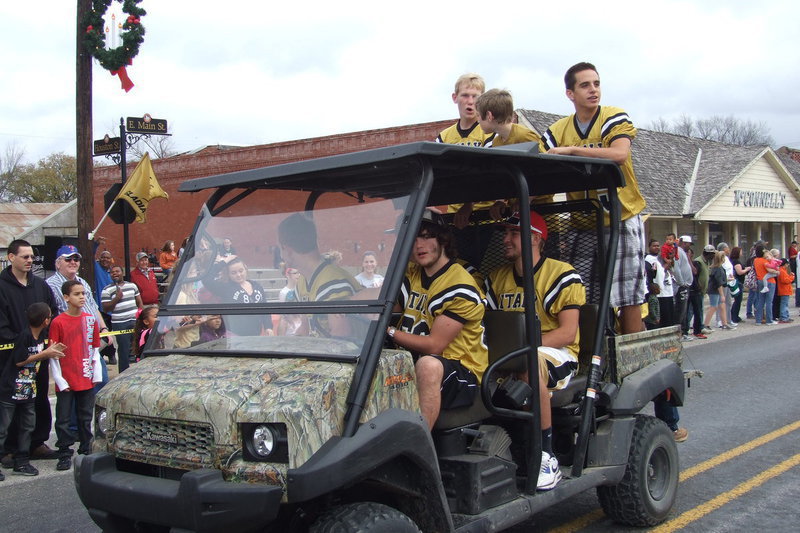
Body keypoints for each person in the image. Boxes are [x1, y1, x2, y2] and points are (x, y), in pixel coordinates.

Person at [542, 62, 647, 334]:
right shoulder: (558, 131)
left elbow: (619, 153)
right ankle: (591, 355)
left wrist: (574, 151)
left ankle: (629, 359)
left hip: (620, 217)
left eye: (596, 84)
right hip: (584, 223)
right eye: (585, 85)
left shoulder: (612, 116)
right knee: (582, 293)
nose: (593, 90)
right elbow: (539, 161)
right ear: (570, 94)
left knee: (627, 295)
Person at [484, 211, 586, 490]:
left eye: (513, 234)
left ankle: (546, 454)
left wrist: (522, 347)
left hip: (556, 353)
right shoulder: (496, 278)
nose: (505, 239)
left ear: (535, 238)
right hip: (506, 353)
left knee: (526, 362)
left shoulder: (562, 273)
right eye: (505, 233)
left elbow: (567, 332)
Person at [389, 215, 487, 434]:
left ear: (443, 240)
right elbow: (389, 306)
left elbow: (435, 346)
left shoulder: (460, 286)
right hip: (415, 360)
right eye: (412, 239)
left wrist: (389, 332)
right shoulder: (413, 274)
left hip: (462, 372)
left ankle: (417, 449)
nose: (419, 245)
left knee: (428, 365)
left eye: (426, 237)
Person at [0, 240, 60, 463]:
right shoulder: (2, 287)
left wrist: (44, 343)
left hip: (39, 357)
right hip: (11, 359)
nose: (29, 260)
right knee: (11, 403)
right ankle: (8, 448)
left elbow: (51, 313)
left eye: (31, 257)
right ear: (11, 257)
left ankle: (37, 443)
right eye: (24, 256)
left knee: (39, 397)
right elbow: (2, 326)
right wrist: (20, 345)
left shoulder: (40, 286)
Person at [0, 303, 65, 479]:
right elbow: (19, 361)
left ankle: (22, 460)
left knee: (27, 426)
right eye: (49, 316)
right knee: (3, 428)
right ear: (45, 320)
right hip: (11, 389)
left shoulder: (40, 337)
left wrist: (52, 351)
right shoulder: (24, 336)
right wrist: (45, 354)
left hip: (28, 389)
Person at [49, 280, 103, 471]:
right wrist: (60, 379)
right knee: (63, 418)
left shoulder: (90, 319)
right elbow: (53, 353)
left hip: (85, 376)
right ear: (66, 297)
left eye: (83, 294)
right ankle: (64, 452)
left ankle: (86, 448)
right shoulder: (58, 322)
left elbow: (95, 349)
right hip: (66, 377)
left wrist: (94, 374)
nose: (81, 297)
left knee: (85, 416)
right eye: (76, 294)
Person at [277, 213, 360, 336]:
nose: (280, 256)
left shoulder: (333, 284)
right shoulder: (302, 282)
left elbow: (342, 339)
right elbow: (305, 328)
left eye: (279, 249)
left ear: (287, 249)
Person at [203, 257, 273, 336]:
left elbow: (264, 308)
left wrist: (268, 327)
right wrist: (224, 262)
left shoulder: (257, 286)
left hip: (255, 335)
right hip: (234, 336)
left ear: (245, 269)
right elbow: (206, 279)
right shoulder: (226, 289)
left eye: (241, 271)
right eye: (233, 273)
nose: (239, 275)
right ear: (228, 274)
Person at [101, 266, 142, 373]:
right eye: (112, 272)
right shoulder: (106, 290)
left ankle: (140, 370)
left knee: (139, 346)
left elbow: (139, 302)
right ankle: (123, 372)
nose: (115, 273)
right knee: (123, 350)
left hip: (135, 321)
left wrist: (141, 317)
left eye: (117, 271)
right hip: (119, 324)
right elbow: (105, 308)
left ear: (122, 273)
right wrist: (117, 298)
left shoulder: (132, 285)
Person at [476, 89, 541, 148]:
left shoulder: (526, 137)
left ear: (489, 116)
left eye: (478, 115)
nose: (478, 120)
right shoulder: (496, 142)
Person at [704, 251, 733, 331]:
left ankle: (724, 323)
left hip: (715, 289)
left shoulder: (717, 268)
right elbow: (719, 283)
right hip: (715, 290)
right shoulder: (718, 269)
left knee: (722, 306)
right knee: (714, 306)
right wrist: (722, 294)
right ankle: (706, 324)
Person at [673, 236, 694, 340]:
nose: (689, 246)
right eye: (688, 244)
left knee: (684, 310)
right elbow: (676, 269)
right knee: (680, 311)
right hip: (681, 286)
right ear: (683, 243)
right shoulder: (678, 251)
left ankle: (683, 332)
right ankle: (678, 334)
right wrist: (681, 282)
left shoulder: (683, 253)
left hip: (685, 285)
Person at [753, 245, 778, 325]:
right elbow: (770, 270)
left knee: (760, 301)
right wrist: (776, 271)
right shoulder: (764, 261)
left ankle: (758, 320)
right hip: (769, 280)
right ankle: (769, 320)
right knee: (769, 302)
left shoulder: (756, 260)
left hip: (760, 280)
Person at [729, 246, 751, 323]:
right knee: (738, 300)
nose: (741, 253)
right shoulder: (736, 262)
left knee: (737, 300)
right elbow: (739, 272)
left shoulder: (732, 260)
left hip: (737, 281)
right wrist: (746, 269)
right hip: (738, 282)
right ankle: (734, 316)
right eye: (741, 252)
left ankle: (734, 315)